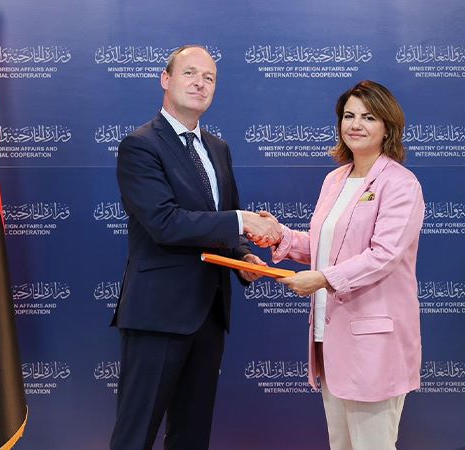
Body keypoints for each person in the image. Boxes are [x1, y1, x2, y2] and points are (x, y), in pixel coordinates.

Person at [111, 45, 279, 450]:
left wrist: (243, 256)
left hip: (210, 313)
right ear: (165, 80)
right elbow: (164, 223)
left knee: (192, 436)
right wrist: (241, 221)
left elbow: (223, 220)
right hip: (158, 314)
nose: (199, 83)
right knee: (135, 435)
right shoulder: (140, 145)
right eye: (189, 73)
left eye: (209, 78)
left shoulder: (218, 148)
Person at [261, 80, 425, 449]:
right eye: (349, 116)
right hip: (330, 339)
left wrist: (322, 279)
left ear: (388, 127)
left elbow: (383, 255)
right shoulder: (335, 179)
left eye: (368, 117)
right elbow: (326, 247)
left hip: (374, 343)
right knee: (341, 445)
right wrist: (278, 236)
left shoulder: (401, 184)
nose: (355, 125)